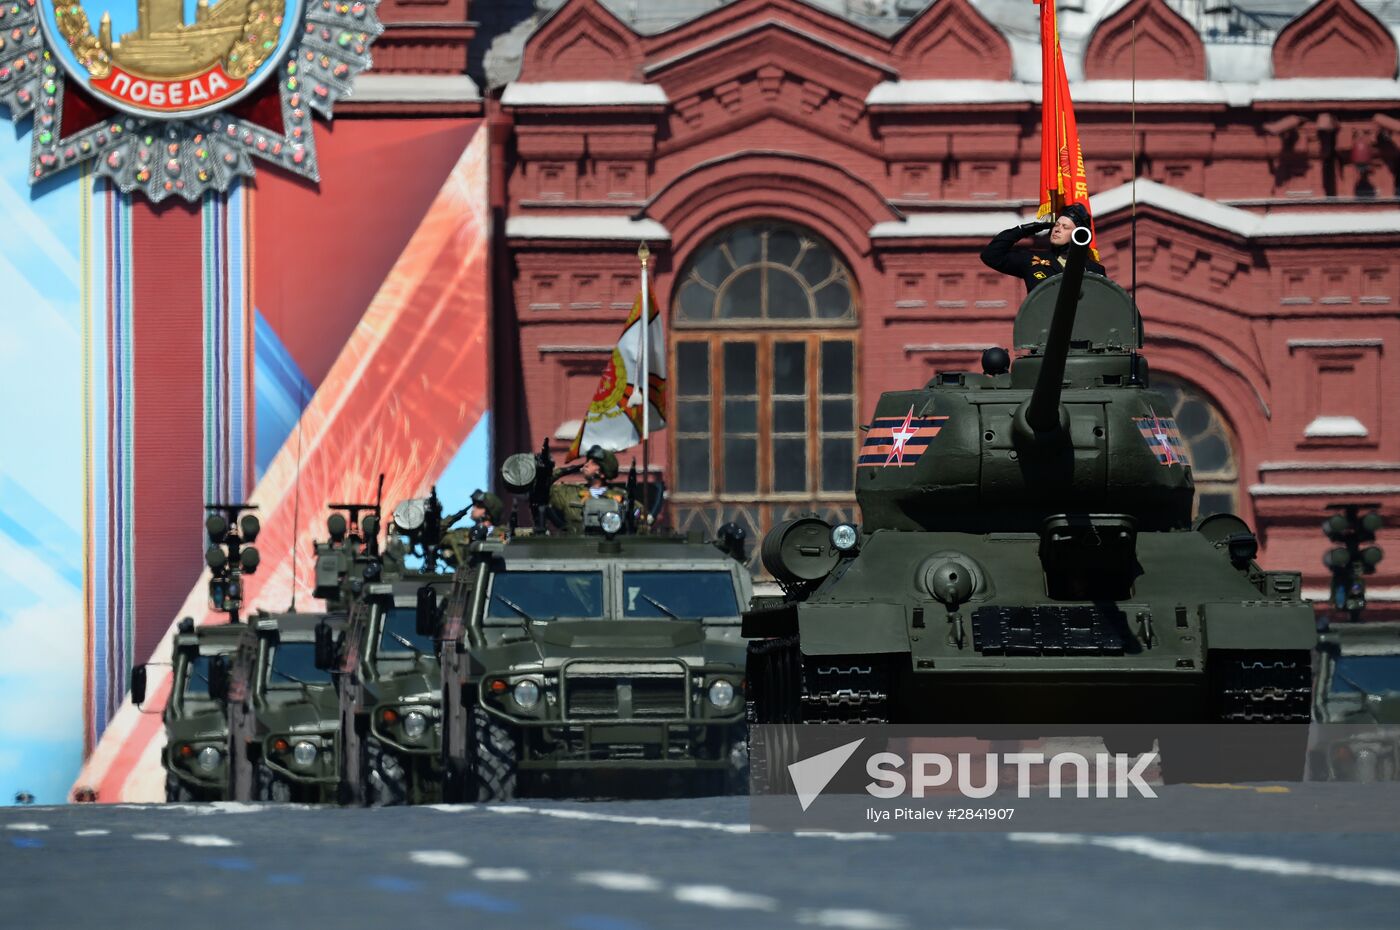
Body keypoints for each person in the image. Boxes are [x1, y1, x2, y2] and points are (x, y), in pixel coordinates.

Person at [980, 202, 1105, 292]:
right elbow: (991, 255)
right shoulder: (1033, 260)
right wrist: (1023, 230)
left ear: (1079, 234)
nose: (1057, 230)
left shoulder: (1094, 270)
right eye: (1056, 225)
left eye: (1065, 227)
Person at [548, 445, 628, 533]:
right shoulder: (569, 493)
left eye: (593, 463)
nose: (586, 465)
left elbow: (639, 517)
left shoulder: (620, 497)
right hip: (576, 544)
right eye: (587, 461)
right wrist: (564, 471)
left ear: (602, 473)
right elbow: (541, 487)